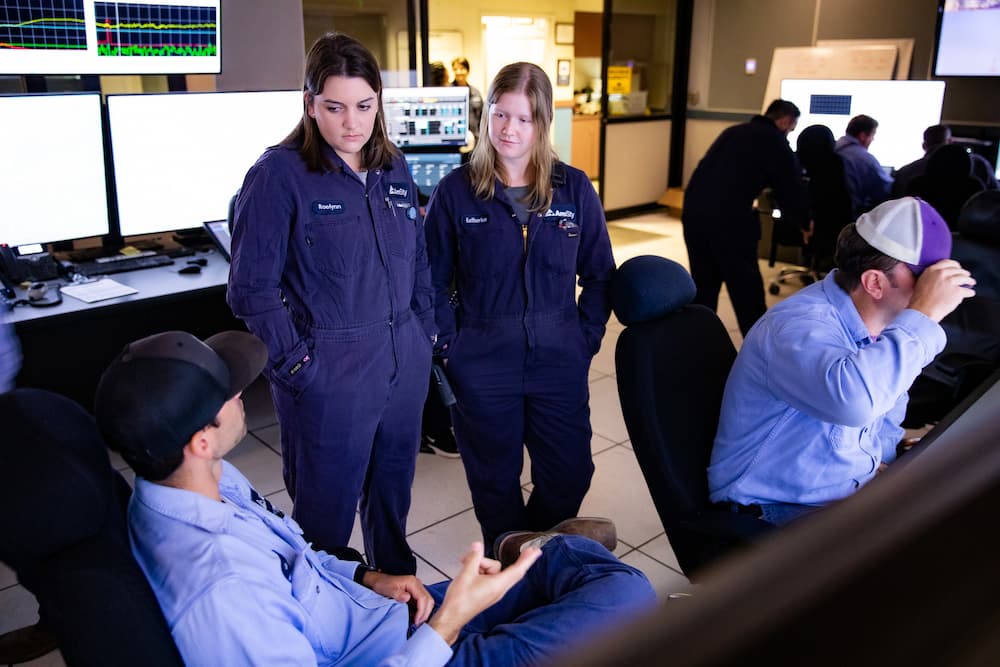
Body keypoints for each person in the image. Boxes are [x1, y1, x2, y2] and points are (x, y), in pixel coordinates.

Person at [93, 329, 656, 666]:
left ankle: (514, 590)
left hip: (376, 614)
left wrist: (367, 580)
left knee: (559, 555)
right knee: (628, 594)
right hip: (402, 652)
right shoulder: (220, 593)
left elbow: (296, 559)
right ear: (200, 438)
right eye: (230, 392)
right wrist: (449, 624)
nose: (243, 392)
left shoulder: (195, 481)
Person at [226, 32, 434, 575]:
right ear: (310, 103)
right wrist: (297, 365)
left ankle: (395, 594)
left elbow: (420, 259)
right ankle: (324, 619)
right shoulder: (277, 176)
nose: (352, 123)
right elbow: (250, 288)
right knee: (324, 520)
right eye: (335, 107)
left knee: (392, 496)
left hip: (402, 361)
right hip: (331, 370)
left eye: (365, 106)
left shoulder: (394, 168)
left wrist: (424, 332)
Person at [424, 62, 616, 553]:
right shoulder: (456, 191)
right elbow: (430, 280)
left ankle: (527, 552)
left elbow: (599, 276)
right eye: (500, 114)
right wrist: (451, 345)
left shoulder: (574, 189)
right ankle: (509, 567)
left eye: (524, 118)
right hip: (482, 358)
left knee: (570, 472)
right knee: (494, 481)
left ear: (542, 122)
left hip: (558, 357)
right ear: (486, 114)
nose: (509, 129)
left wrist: (584, 338)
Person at [708, 197, 975, 526]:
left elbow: (886, 416)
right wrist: (922, 316)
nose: (931, 294)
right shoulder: (799, 327)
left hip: (835, 491)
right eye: (925, 282)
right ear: (875, 282)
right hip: (772, 507)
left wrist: (884, 468)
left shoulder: (881, 330)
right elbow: (855, 403)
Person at [682, 98, 809, 336]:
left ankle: (697, 346)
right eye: (791, 129)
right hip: (729, 220)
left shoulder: (733, 132)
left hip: (694, 213)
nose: (789, 134)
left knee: (703, 286)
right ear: (785, 121)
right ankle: (758, 350)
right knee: (746, 290)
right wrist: (803, 221)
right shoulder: (774, 140)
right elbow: (790, 186)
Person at [796, 124, 853, 273]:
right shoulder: (834, 164)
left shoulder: (796, 163)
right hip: (830, 227)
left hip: (800, 224)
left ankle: (809, 263)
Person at [892, 124, 999, 197]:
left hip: (921, 228)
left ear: (924, 146)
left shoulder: (905, 172)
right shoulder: (980, 164)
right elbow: (994, 196)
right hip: (967, 228)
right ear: (950, 141)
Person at [834, 114, 893, 218]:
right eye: (872, 135)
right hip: (853, 219)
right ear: (863, 136)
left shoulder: (832, 147)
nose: (873, 139)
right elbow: (885, 190)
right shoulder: (865, 159)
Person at [451, 57, 484, 144]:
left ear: (467, 70)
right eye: (455, 69)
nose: (458, 72)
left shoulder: (476, 93)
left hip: (475, 141)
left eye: (461, 68)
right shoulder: (448, 92)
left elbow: (483, 117)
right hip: (455, 141)